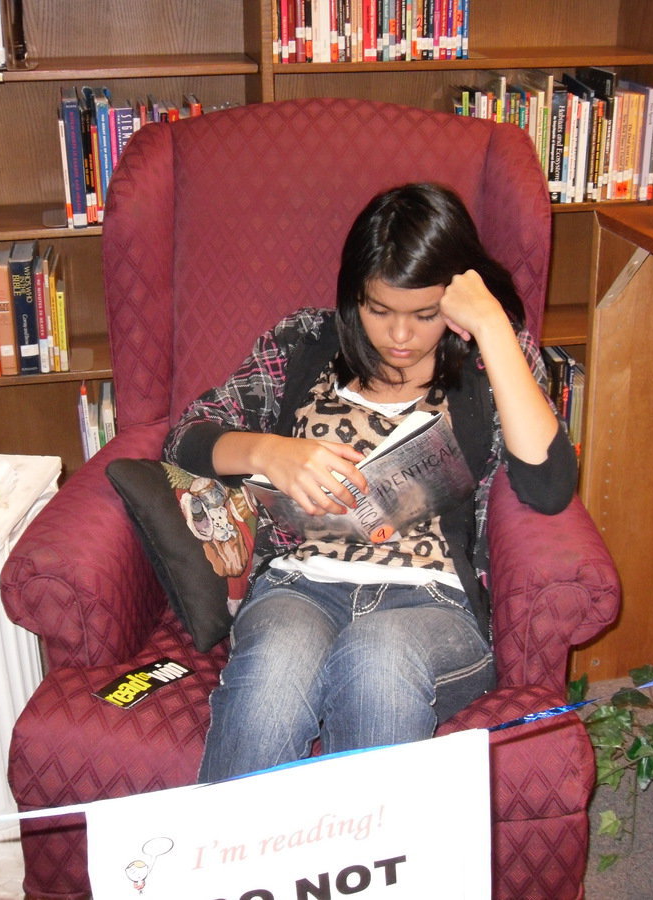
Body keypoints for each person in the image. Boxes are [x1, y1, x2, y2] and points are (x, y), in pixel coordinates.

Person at [163, 182, 578, 783]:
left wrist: (492, 327)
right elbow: (186, 437)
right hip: (300, 586)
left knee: (379, 657)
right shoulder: (302, 342)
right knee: (276, 665)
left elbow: (549, 486)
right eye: (378, 311)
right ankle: (226, 873)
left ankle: (374, 872)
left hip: (432, 602)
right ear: (352, 296)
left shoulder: (494, 362)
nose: (400, 337)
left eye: (425, 314)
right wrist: (270, 452)